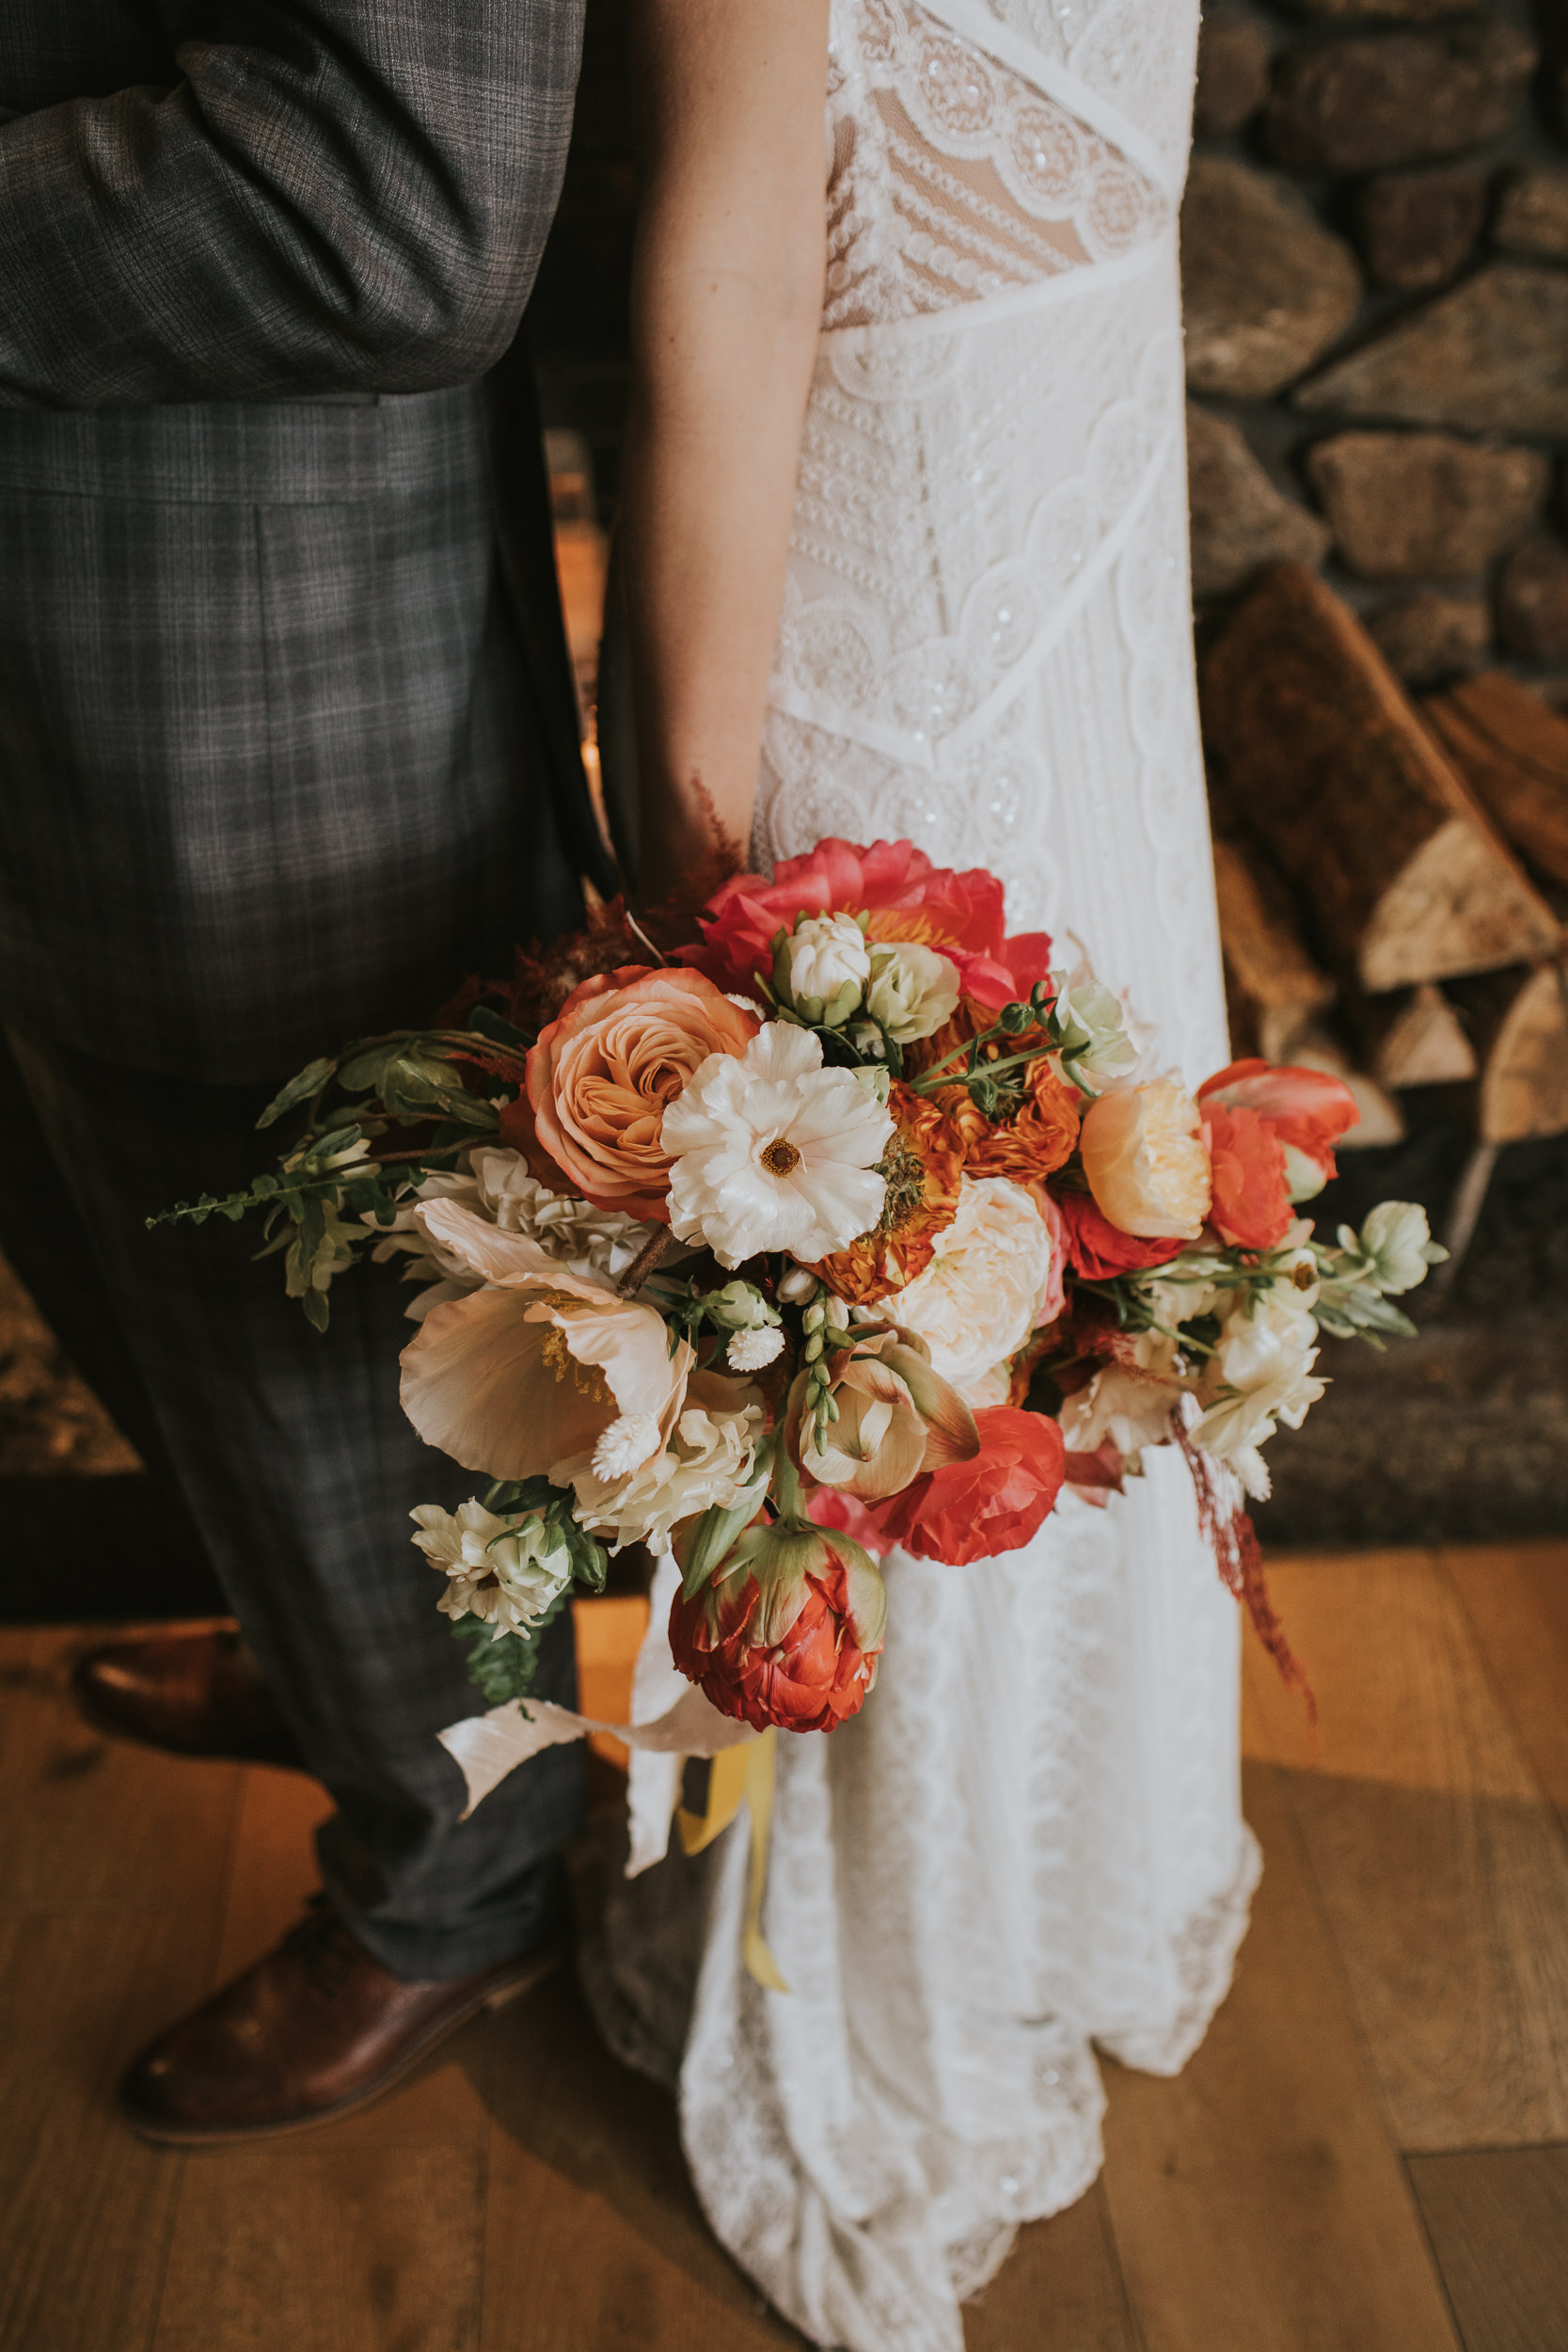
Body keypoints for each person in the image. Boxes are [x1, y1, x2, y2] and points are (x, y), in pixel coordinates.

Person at [599, 4, 1258, 2347]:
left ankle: (906, 1951)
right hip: (1057, 675)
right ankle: (1010, 1914)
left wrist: (663, 895)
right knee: (973, 1313)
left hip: (917, 725)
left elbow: (737, 312)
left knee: (896, 1312)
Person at [0, 1, 611, 2139]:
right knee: (123, 1260)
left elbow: (401, 192)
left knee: (328, 1356)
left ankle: (467, 1877)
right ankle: (332, 1645)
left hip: (241, 661)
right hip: (70, 637)